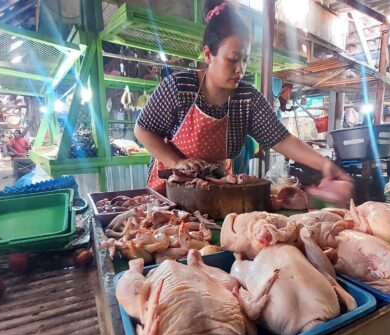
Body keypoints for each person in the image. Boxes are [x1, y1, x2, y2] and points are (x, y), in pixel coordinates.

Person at [135, 0, 353, 204]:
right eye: (233, 59)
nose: (240, 69)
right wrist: (177, 162)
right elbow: (143, 131)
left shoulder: (247, 99)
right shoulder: (179, 87)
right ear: (208, 54)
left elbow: (283, 140)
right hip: (171, 190)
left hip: (216, 189)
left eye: (245, 59)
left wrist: (325, 164)